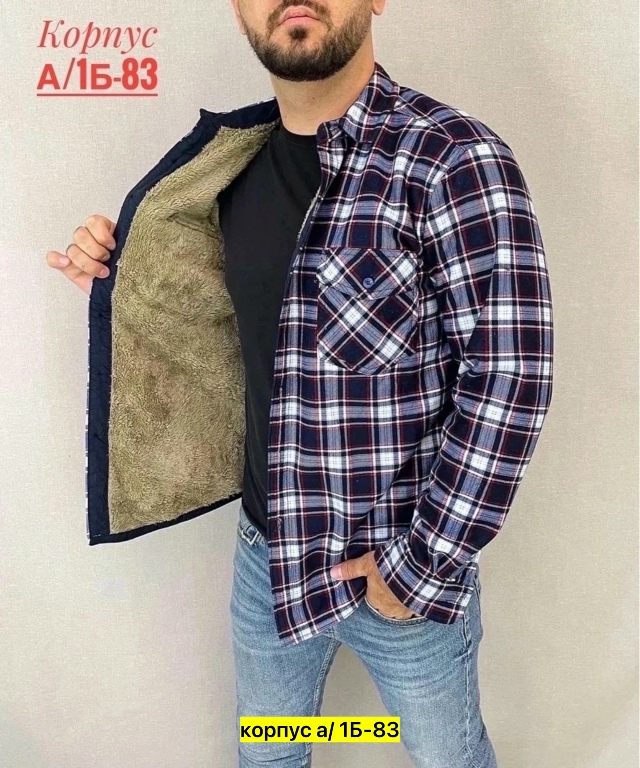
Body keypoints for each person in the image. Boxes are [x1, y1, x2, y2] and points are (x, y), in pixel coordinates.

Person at [46, 1, 554, 765]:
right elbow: (225, 326)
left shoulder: (452, 159)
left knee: (447, 758)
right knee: (272, 753)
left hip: (403, 575)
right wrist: (122, 278)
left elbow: (511, 378)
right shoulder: (227, 168)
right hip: (266, 557)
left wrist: (418, 565)